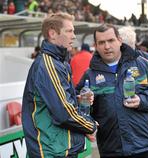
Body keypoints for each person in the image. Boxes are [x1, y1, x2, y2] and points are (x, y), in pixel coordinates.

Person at [76, 24, 148, 158]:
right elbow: (79, 107)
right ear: (95, 45)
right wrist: (86, 113)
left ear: (119, 40)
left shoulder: (142, 63)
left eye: (111, 40)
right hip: (112, 150)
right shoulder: (89, 75)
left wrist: (142, 100)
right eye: (101, 42)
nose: (107, 46)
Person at [22, 12, 97, 158]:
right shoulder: (48, 64)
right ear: (52, 34)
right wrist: (90, 126)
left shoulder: (59, 62)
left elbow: (57, 100)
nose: (74, 36)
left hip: (59, 148)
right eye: (69, 31)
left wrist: (77, 98)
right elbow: (63, 112)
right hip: (50, 151)